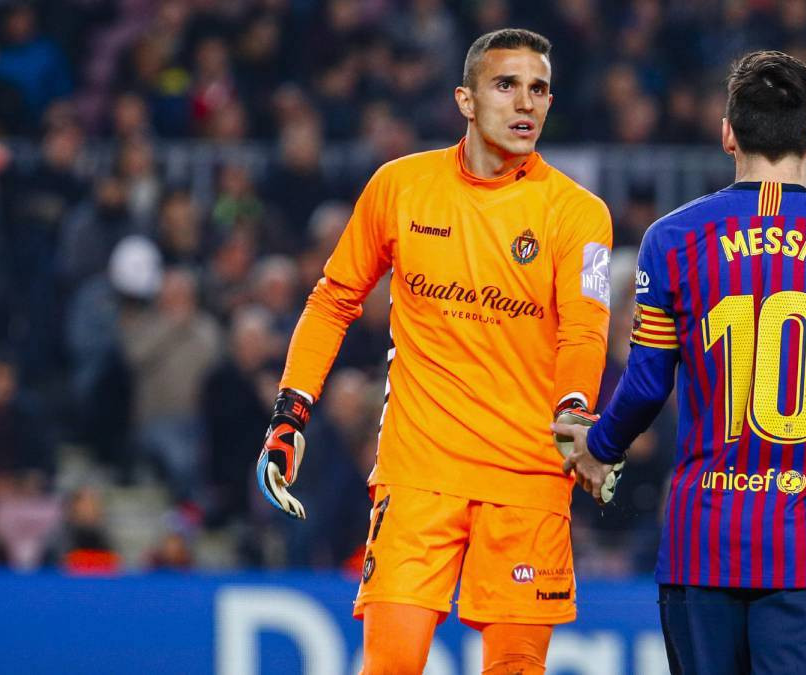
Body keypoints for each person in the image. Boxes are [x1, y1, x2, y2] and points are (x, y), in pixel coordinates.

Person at [255, 29, 612, 675]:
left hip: (528, 478)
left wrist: (576, 413)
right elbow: (333, 298)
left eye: (538, 89)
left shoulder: (578, 212)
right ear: (466, 100)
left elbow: (584, 332)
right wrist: (290, 412)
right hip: (419, 471)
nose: (524, 102)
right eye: (506, 85)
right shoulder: (401, 186)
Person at [554, 50, 806, 674]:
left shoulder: (671, 239)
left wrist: (602, 446)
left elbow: (646, 383)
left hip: (702, 544)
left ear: (728, 133)